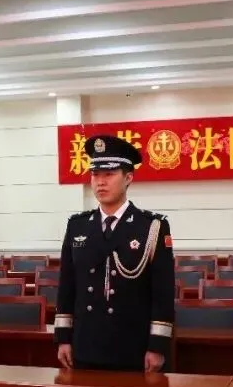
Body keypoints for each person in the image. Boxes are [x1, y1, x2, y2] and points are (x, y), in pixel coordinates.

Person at [54, 134, 175, 372]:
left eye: (109, 174)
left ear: (128, 177)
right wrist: (63, 338)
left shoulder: (151, 227)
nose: (100, 182)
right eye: (95, 175)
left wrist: (157, 346)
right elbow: (67, 287)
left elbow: (163, 292)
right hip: (85, 345)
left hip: (133, 347)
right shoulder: (78, 226)